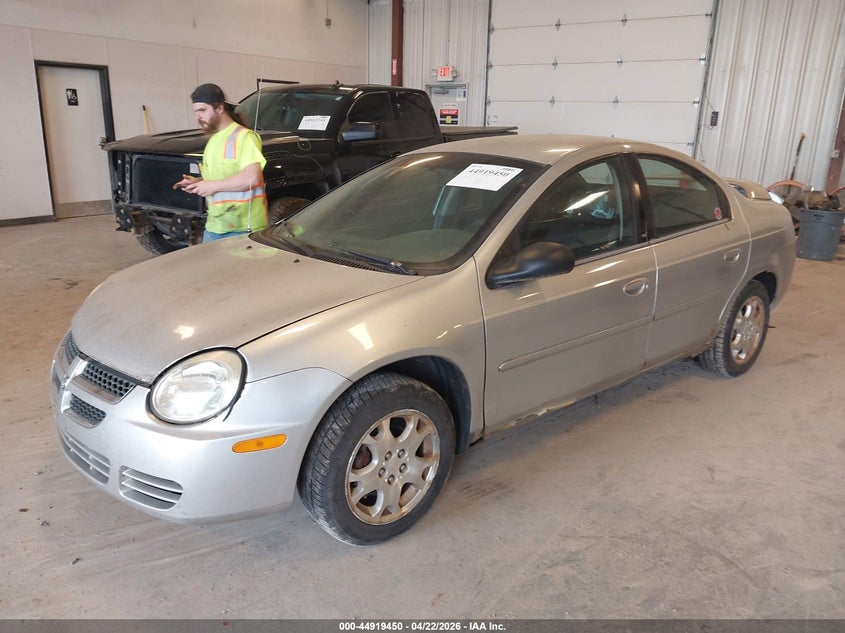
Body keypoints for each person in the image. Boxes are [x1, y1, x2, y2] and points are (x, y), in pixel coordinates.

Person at [174, 83, 268, 242]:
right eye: (196, 112)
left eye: (202, 110)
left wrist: (211, 186)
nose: (198, 117)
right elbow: (224, 176)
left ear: (219, 108)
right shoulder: (214, 140)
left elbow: (252, 178)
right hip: (215, 226)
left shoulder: (245, 137)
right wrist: (198, 182)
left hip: (243, 228)